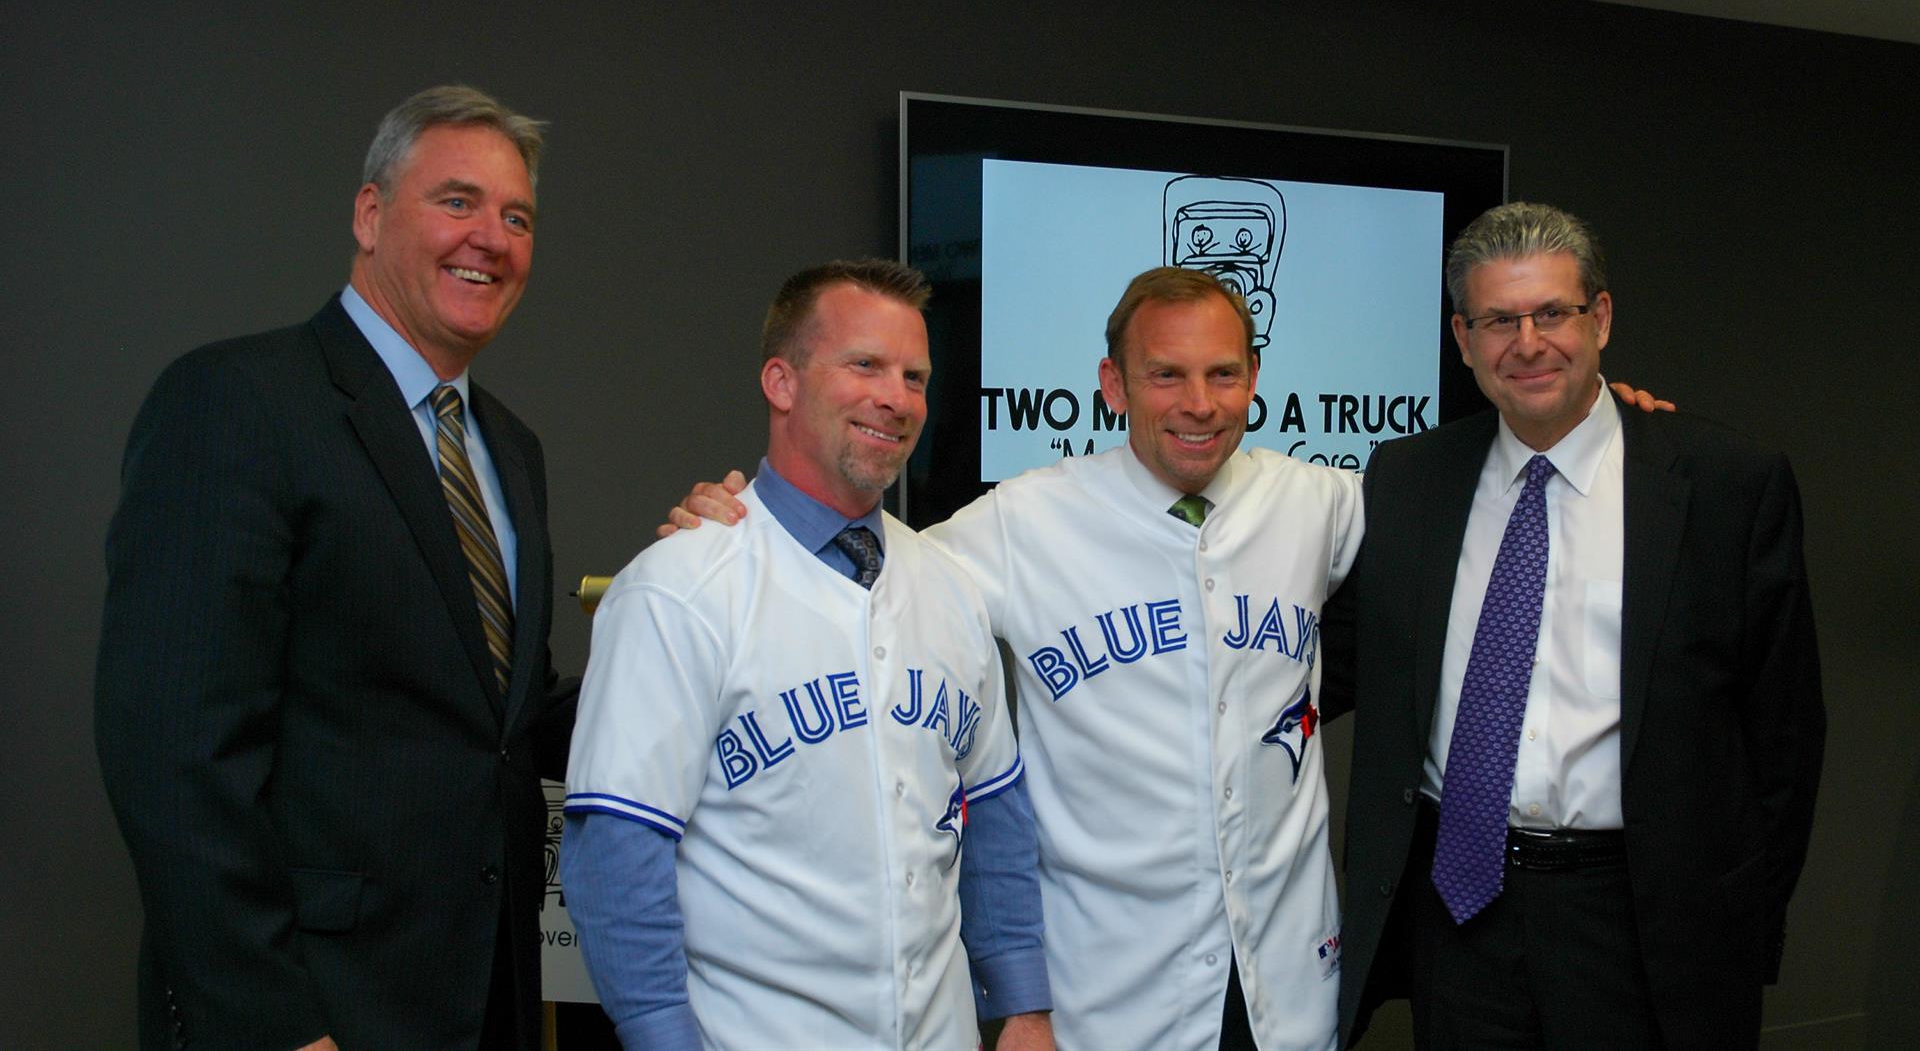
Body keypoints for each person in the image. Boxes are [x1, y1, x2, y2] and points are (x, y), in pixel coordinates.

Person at [669, 268, 1364, 1050]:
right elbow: (855, 573)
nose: (1198, 403)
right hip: (1109, 994)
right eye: (1165, 374)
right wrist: (739, 529)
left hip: (1289, 986)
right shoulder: (1026, 520)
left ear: (1254, 379)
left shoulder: (1318, 502)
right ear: (1114, 385)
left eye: (1222, 374)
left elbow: (1459, 521)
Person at [96, 85, 577, 1051]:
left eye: (516, 216)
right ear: (368, 215)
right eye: (457, 202)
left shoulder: (510, 450)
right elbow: (174, 755)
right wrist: (276, 1026)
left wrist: (691, 597)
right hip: (314, 1014)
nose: (492, 236)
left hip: (486, 1004)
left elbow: (499, 733)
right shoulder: (236, 401)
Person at [1326, 202, 1824, 1048]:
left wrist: (1735, 922)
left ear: (1600, 317)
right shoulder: (1409, 477)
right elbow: (1338, 658)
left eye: (1552, 312)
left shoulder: (1722, 485)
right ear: (1462, 337)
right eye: (1498, 320)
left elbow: (1784, 739)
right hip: (1459, 908)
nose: (1528, 343)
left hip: (1639, 920)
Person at [561, 260, 1054, 1050]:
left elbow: (994, 810)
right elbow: (617, 854)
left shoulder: (952, 588)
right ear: (781, 383)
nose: (897, 398)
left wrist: (1024, 1007)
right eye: (865, 365)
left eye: (915, 375)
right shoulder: (679, 590)